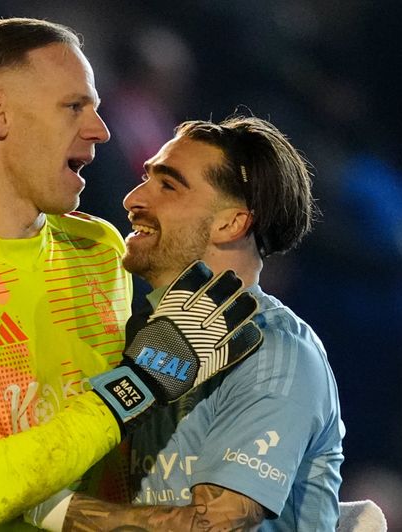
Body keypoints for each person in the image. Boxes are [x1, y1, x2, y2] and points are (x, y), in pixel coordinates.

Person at [0, 18, 260, 531]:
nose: (100, 130)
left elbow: (132, 451)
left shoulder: (98, 248)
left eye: (97, 109)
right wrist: (136, 385)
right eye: (73, 107)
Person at [26, 115, 345, 530]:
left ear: (231, 223)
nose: (133, 199)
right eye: (146, 178)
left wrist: (37, 505)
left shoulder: (277, 353)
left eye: (168, 185)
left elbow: (210, 526)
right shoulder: (134, 337)